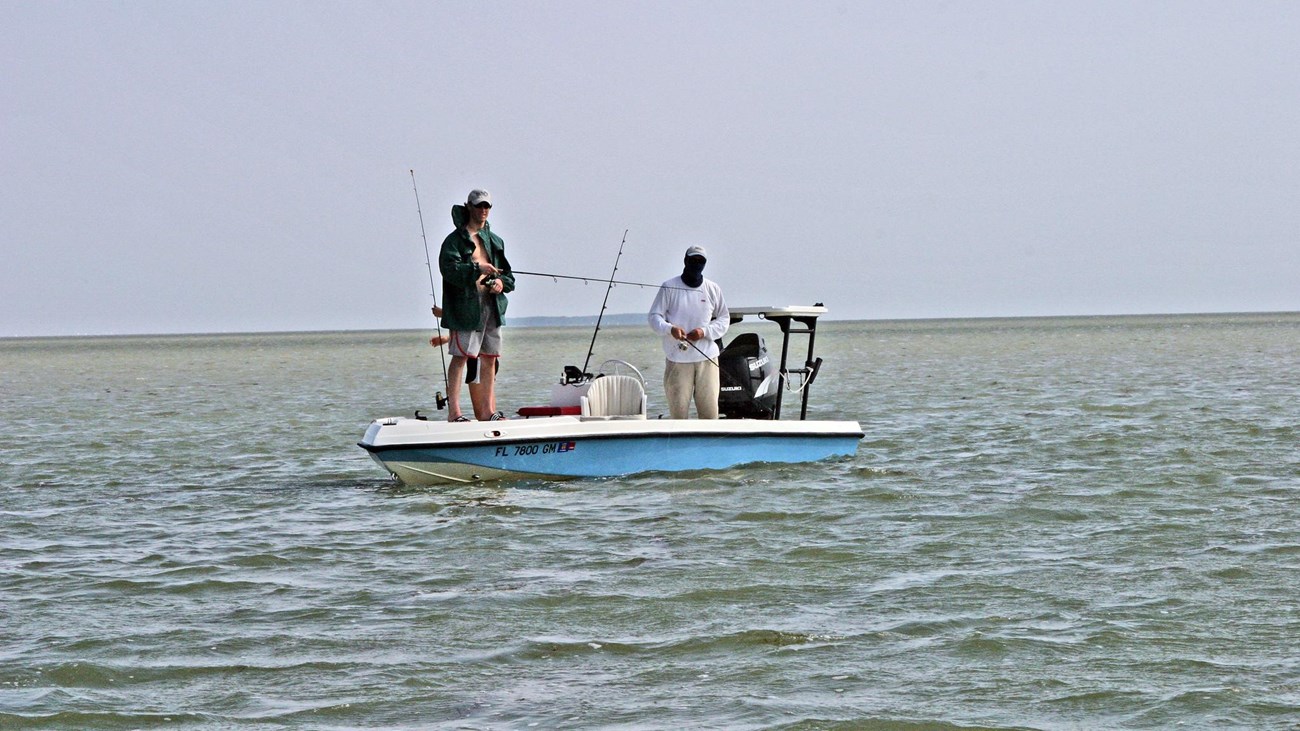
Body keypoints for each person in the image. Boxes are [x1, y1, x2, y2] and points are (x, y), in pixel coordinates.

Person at [438, 188, 515, 422]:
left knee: (490, 357)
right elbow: (448, 269)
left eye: (487, 206)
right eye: (479, 205)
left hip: (491, 307)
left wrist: (500, 283)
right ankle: (455, 413)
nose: (483, 210)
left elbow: (509, 277)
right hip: (465, 308)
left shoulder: (495, 241)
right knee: (461, 357)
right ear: (468, 206)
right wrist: (477, 269)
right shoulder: (454, 241)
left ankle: (488, 412)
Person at [648, 245, 729, 419]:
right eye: (693, 260)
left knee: (710, 417)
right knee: (678, 416)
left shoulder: (712, 288)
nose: (697, 264)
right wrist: (671, 329)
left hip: (707, 359)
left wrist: (704, 332)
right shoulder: (669, 287)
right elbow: (654, 317)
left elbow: (724, 319)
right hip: (677, 359)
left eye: (701, 261)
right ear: (685, 260)